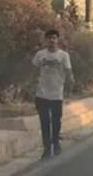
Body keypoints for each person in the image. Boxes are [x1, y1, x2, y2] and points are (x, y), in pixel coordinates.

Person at [31, 29, 73, 160]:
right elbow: (33, 70)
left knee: (56, 121)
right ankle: (47, 148)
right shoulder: (40, 55)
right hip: (41, 94)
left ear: (57, 40)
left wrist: (70, 84)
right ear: (45, 40)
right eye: (49, 38)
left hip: (57, 93)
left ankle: (56, 143)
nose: (51, 40)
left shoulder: (63, 55)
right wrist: (31, 85)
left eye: (54, 38)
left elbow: (68, 72)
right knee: (44, 122)